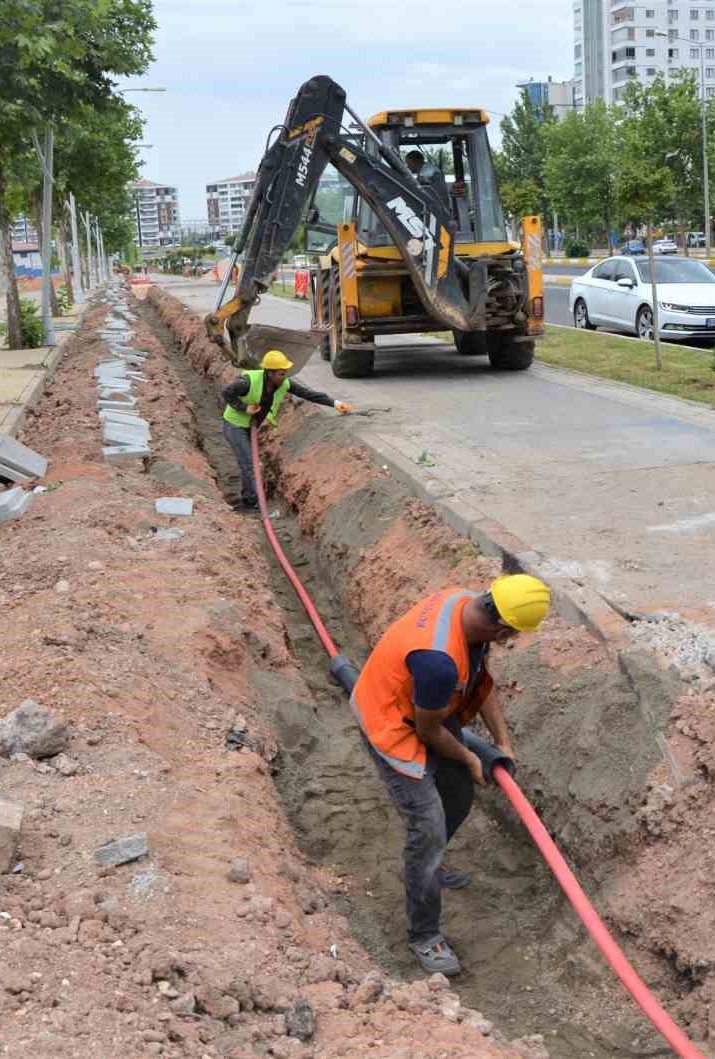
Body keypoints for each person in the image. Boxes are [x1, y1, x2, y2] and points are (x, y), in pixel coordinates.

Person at [350, 575, 552, 976]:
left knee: (459, 794)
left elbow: (478, 682)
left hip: (427, 709)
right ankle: (424, 935)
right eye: (513, 635)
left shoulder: (465, 606)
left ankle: (425, 865)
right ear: (503, 628)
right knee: (427, 827)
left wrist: (501, 742)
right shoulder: (438, 660)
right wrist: (471, 757)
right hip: (392, 723)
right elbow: (427, 732)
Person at [220, 350, 349, 513]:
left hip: (250, 426)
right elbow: (226, 393)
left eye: (285, 373)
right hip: (234, 426)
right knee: (249, 464)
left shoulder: (283, 384)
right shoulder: (247, 382)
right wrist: (245, 408)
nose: (284, 377)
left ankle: (250, 499)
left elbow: (308, 394)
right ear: (270, 373)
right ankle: (250, 503)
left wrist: (335, 403)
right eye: (281, 374)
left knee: (249, 463)